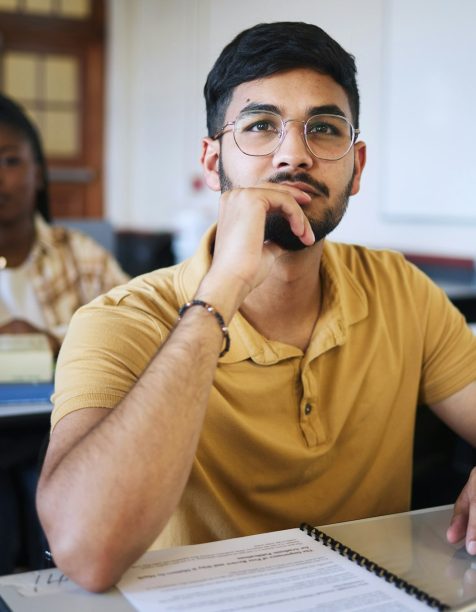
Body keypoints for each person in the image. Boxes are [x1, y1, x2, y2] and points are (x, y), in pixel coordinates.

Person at [37, 21, 476, 592]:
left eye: (323, 128)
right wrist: (222, 291)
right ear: (211, 159)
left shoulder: (400, 291)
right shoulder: (119, 321)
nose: (293, 155)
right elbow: (86, 551)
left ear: (357, 166)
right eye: (261, 126)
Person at [0, 93, 129, 574]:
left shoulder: (82, 255)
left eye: (10, 160)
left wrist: (55, 340)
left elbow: (135, 331)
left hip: (66, 428)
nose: (0, 177)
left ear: (37, 172)